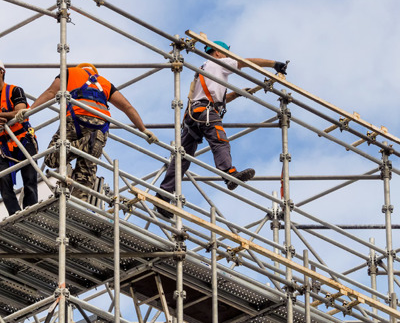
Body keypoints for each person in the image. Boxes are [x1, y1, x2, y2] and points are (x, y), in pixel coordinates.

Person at [155, 41, 287, 218]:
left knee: (182, 158)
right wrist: (274, 64)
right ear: (216, 53)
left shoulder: (205, 68)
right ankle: (229, 174)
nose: (228, 57)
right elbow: (246, 62)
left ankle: (163, 195)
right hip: (205, 113)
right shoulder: (219, 63)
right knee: (220, 141)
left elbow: (212, 98)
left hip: (194, 115)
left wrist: (235, 94)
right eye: (225, 53)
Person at [16, 63, 158, 201]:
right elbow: (127, 107)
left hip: (76, 120)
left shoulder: (70, 72)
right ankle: (79, 201)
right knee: (85, 172)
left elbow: (51, 92)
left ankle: (88, 143)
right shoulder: (105, 83)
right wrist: (143, 130)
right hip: (100, 127)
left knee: (51, 158)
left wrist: (30, 110)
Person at [0, 60, 38, 217]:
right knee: (3, 180)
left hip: (23, 139)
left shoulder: (15, 91)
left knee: (29, 178)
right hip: (2, 146)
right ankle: (15, 214)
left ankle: (31, 213)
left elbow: (20, 113)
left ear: (1, 72)